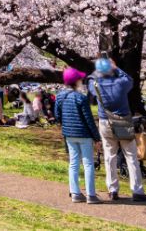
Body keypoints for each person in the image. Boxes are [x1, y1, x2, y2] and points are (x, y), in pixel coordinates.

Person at [89, 57, 146, 203]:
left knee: (110, 156)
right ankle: (137, 190)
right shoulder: (121, 83)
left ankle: (113, 189)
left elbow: (91, 78)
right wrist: (115, 67)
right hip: (122, 121)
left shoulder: (96, 84)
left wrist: (100, 68)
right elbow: (130, 79)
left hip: (105, 122)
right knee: (131, 156)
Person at [54, 67, 103, 204]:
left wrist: (66, 125)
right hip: (84, 135)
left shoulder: (60, 97)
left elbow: (57, 116)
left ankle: (75, 192)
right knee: (88, 164)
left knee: (73, 163)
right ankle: (91, 194)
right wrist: (97, 138)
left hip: (69, 134)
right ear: (76, 81)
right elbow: (89, 120)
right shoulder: (81, 98)